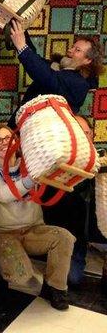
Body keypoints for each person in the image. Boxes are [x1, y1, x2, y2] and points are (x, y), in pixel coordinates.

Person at [0, 124, 75, 310]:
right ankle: (2, 269)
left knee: (64, 237)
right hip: (3, 233)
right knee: (21, 276)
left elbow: (59, 175)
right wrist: (30, 180)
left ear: (17, 141)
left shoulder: (32, 165)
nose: (3, 143)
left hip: (34, 229)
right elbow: (4, 194)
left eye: (8, 138)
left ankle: (54, 288)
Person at [43, 115, 107, 289]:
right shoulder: (60, 162)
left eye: (85, 133)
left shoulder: (102, 157)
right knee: (72, 279)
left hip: (98, 229)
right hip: (69, 234)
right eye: (76, 134)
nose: (82, 138)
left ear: (92, 134)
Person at [8, 20, 104, 128]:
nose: (70, 50)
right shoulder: (58, 68)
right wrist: (21, 30)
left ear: (88, 60)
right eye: (72, 47)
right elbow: (36, 60)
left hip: (40, 133)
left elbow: (45, 76)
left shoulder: (80, 83)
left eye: (77, 50)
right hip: (24, 126)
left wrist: (22, 47)